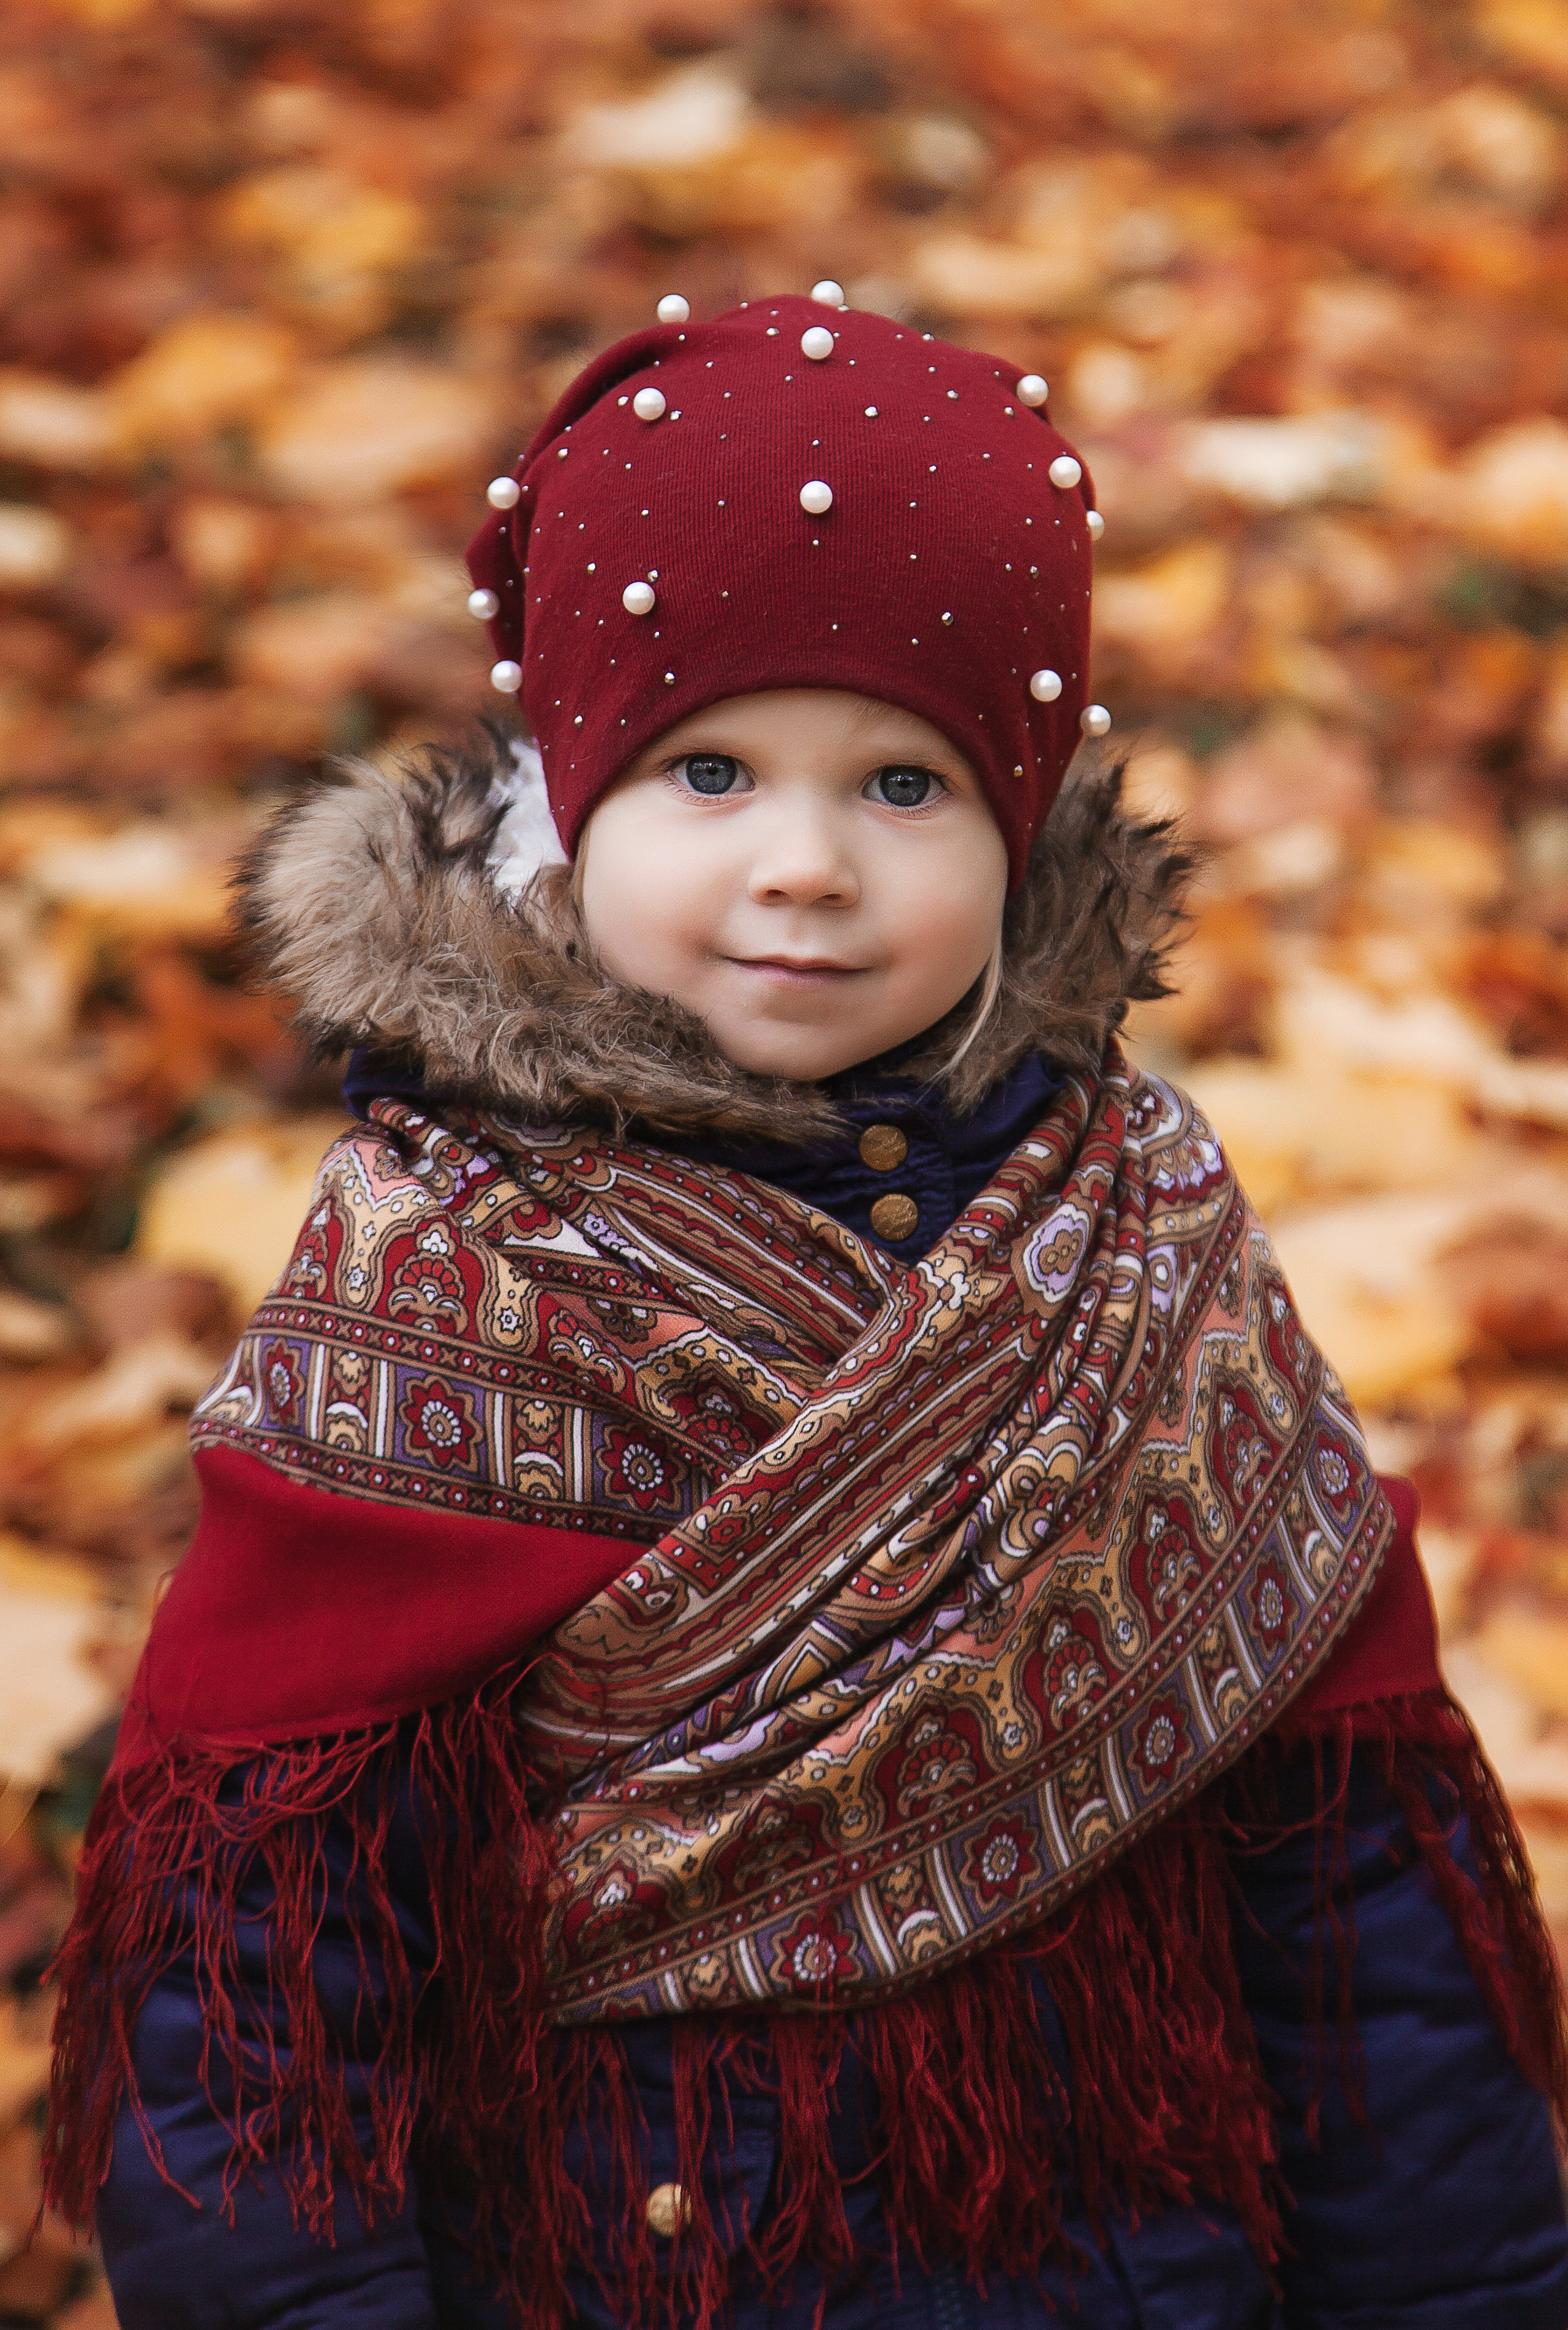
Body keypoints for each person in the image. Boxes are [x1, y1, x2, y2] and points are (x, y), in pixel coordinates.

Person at [45, 293, 1568, 2330]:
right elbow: (261, 1982)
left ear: (1023, 815)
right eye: (711, 770)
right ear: (570, 797)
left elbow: (1353, 1896)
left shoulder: (1142, 1233)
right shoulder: (443, 1276)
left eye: (906, 787)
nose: (807, 866)